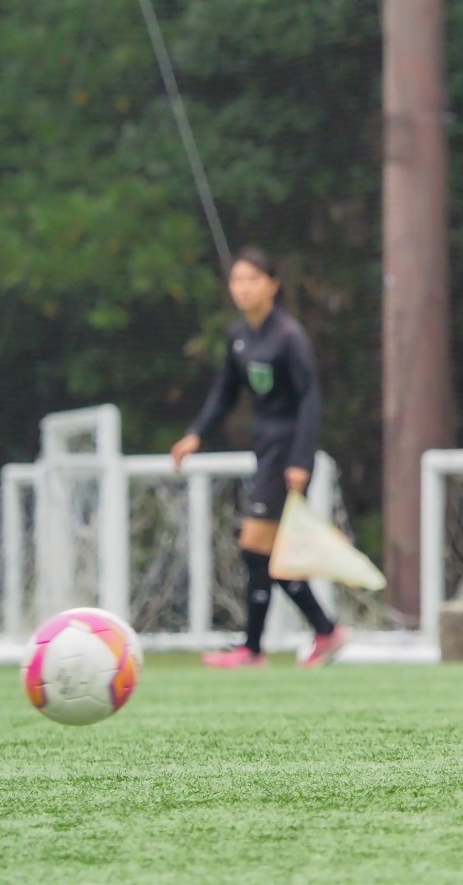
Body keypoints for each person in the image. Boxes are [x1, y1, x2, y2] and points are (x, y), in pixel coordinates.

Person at [171, 247, 346, 667]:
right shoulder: (238, 336)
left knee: (254, 546)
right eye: (237, 280)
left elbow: (310, 400)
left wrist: (301, 459)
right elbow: (225, 392)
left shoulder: (289, 336)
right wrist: (196, 433)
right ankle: (321, 631)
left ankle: (261, 646)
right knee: (263, 552)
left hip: (285, 451)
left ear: (272, 285)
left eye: (252, 279)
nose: (243, 287)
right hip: (264, 448)